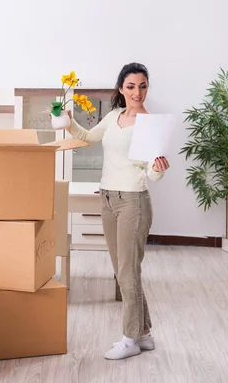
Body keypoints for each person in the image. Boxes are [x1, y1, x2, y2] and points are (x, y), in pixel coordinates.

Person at [62, 62, 170, 360]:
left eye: (143, 86)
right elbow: (87, 137)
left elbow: (153, 171)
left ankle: (130, 338)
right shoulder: (114, 116)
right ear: (121, 88)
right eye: (132, 86)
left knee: (127, 270)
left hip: (133, 201)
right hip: (108, 198)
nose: (138, 92)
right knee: (122, 269)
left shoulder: (150, 125)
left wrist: (159, 169)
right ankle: (144, 334)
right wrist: (69, 121)